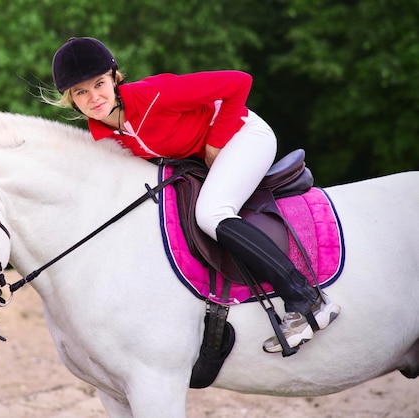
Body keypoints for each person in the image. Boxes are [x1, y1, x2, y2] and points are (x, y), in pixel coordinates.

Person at [46, 37, 340, 353]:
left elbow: (238, 83)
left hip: (244, 136)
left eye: (99, 83)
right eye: (81, 91)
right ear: (71, 99)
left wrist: (214, 143)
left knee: (211, 213)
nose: (94, 97)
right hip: (209, 156)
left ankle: (306, 299)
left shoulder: (152, 94)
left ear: (114, 78)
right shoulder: (105, 133)